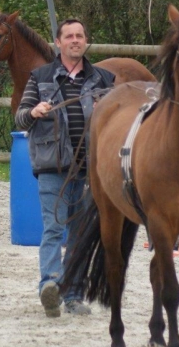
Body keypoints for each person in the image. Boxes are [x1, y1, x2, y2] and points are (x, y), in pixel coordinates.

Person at [14, 18, 115, 317]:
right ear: (57, 43)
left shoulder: (104, 81)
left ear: (86, 42)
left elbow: (119, 123)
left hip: (90, 169)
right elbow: (20, 119)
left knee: (80, 234)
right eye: (68, 36)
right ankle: (50, 285)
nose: (74, 40)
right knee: (53, 228)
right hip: (52, 166)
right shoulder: (40, 77)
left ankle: (73, 294)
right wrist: (33, 111)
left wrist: (105, 112)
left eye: (79, 36)